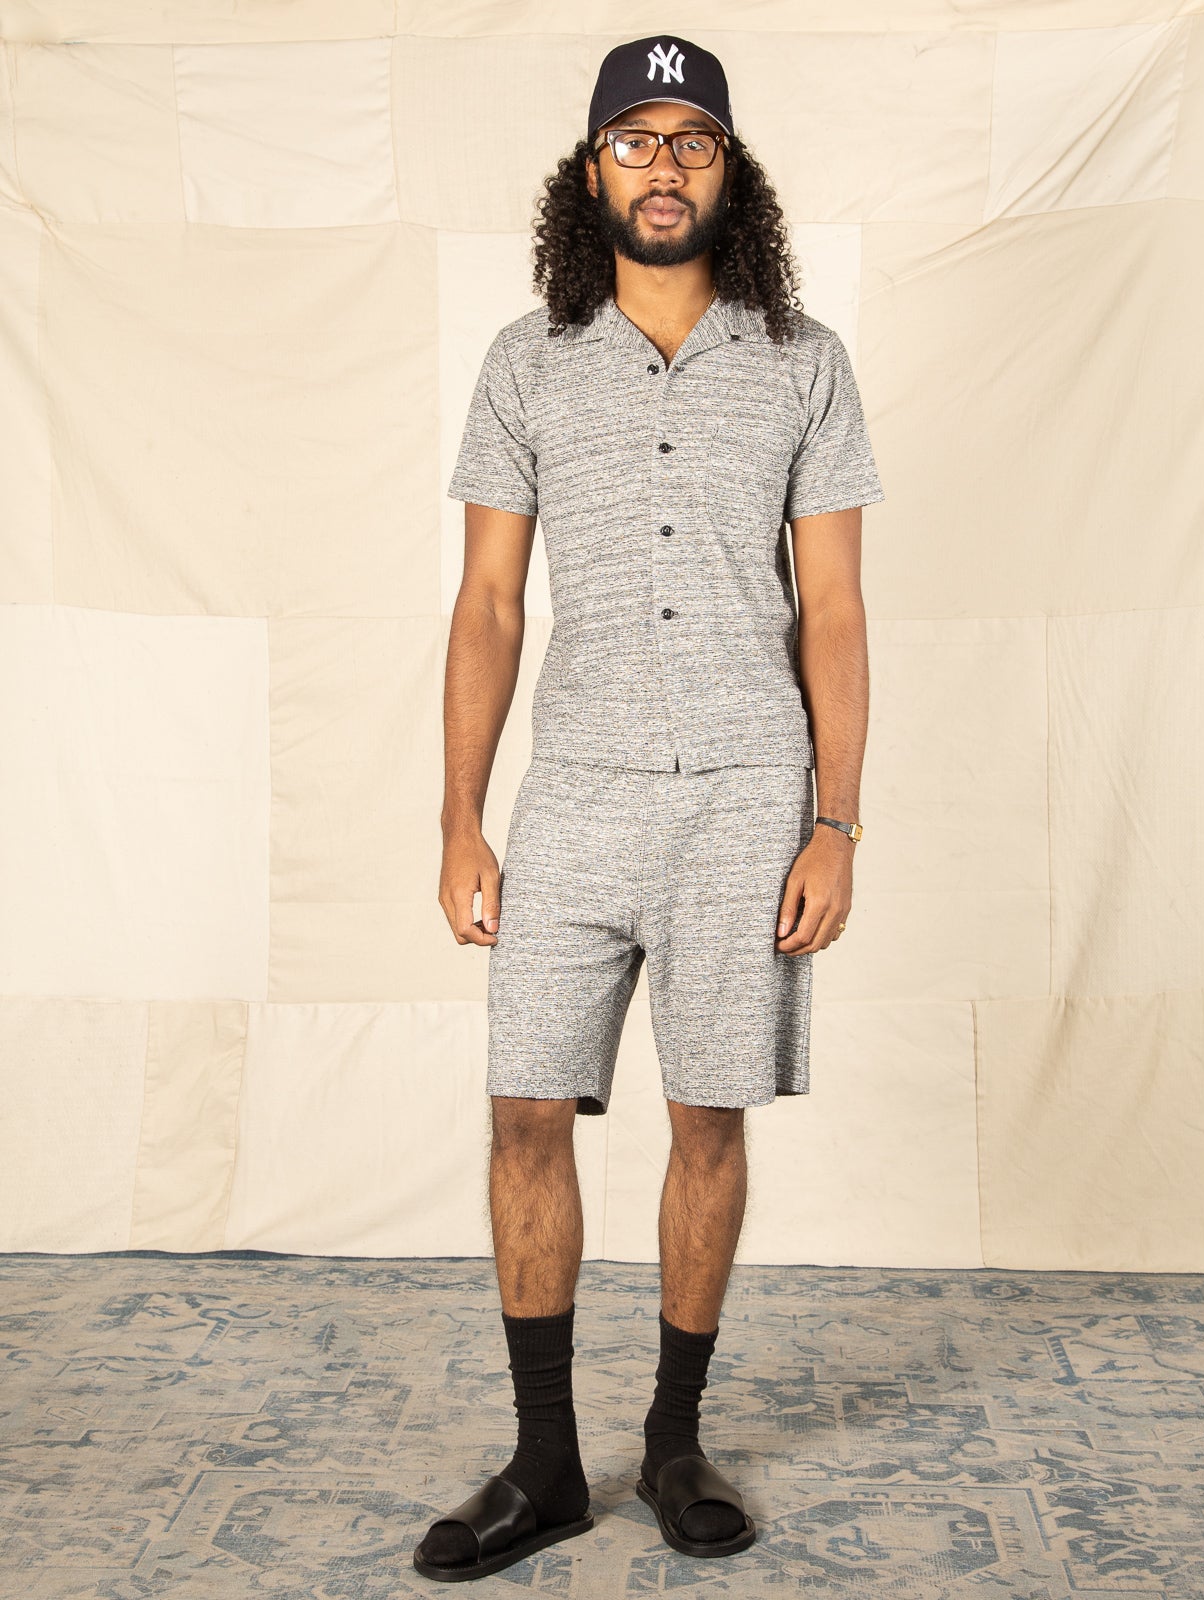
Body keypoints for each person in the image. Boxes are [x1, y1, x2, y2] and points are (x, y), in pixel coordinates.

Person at [415, 33, 884, 1583]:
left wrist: (835, 823)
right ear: (591, 170)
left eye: (692, 140)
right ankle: (546, 1465)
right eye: (636, 139)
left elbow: (834, 608)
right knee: (523, 1108)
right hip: (575, 794)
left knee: (706, 1116)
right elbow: (489, 604)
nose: (664, 166)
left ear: (731, 171)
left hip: (749, 795)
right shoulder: (527, 361)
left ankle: (675, 1440)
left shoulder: (805, 360)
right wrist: (461, 818)